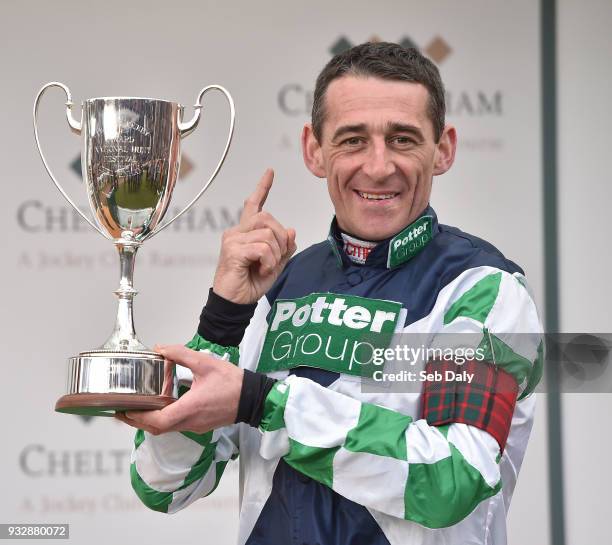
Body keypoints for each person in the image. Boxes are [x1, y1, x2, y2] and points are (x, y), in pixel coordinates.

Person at [117, 42, 543, 545]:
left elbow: (453, 477)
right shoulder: (282, 286)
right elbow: (162, 485)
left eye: (403, 139)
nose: (379, 166)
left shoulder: (482, 287)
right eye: (353, 140)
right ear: (314, 150)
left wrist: (263, 402)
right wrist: (223, 319)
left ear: (443, 149)